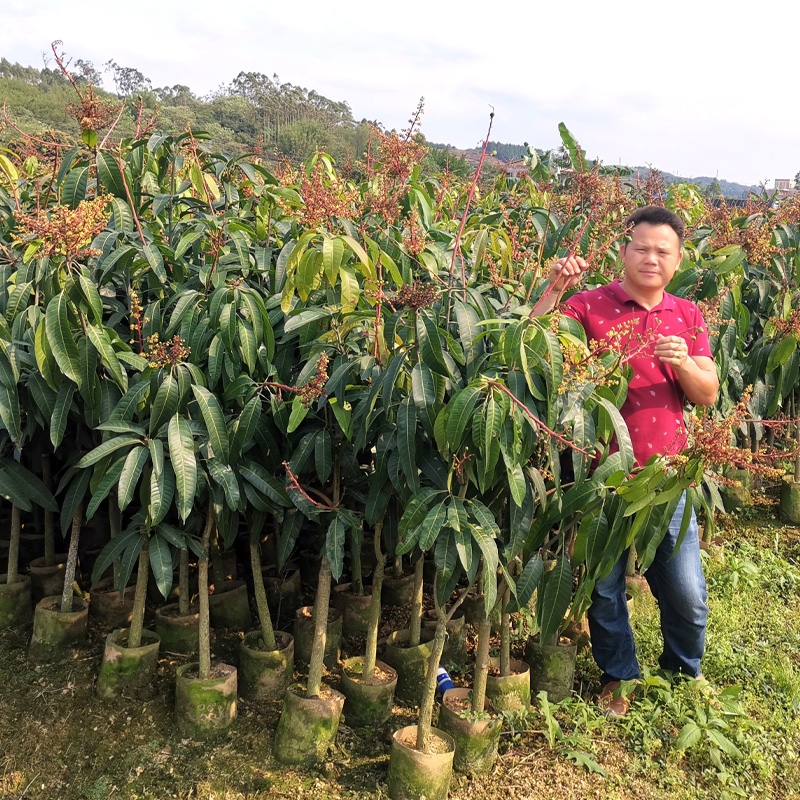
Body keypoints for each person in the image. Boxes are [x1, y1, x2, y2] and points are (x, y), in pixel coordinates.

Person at [542, 205, 719, 715]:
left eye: (663, 251)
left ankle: (682, 672)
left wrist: (683, 361)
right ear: (624, 252)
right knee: (604, 588)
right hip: (603, 478)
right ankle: (619, 678)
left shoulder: (687, 315)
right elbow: (531, 348)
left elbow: (707, 394)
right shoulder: (587, 306)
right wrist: (552, 290)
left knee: (686, 592)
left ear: (678, 260)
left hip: (667, 480)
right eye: (641, 247)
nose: (651, 258)